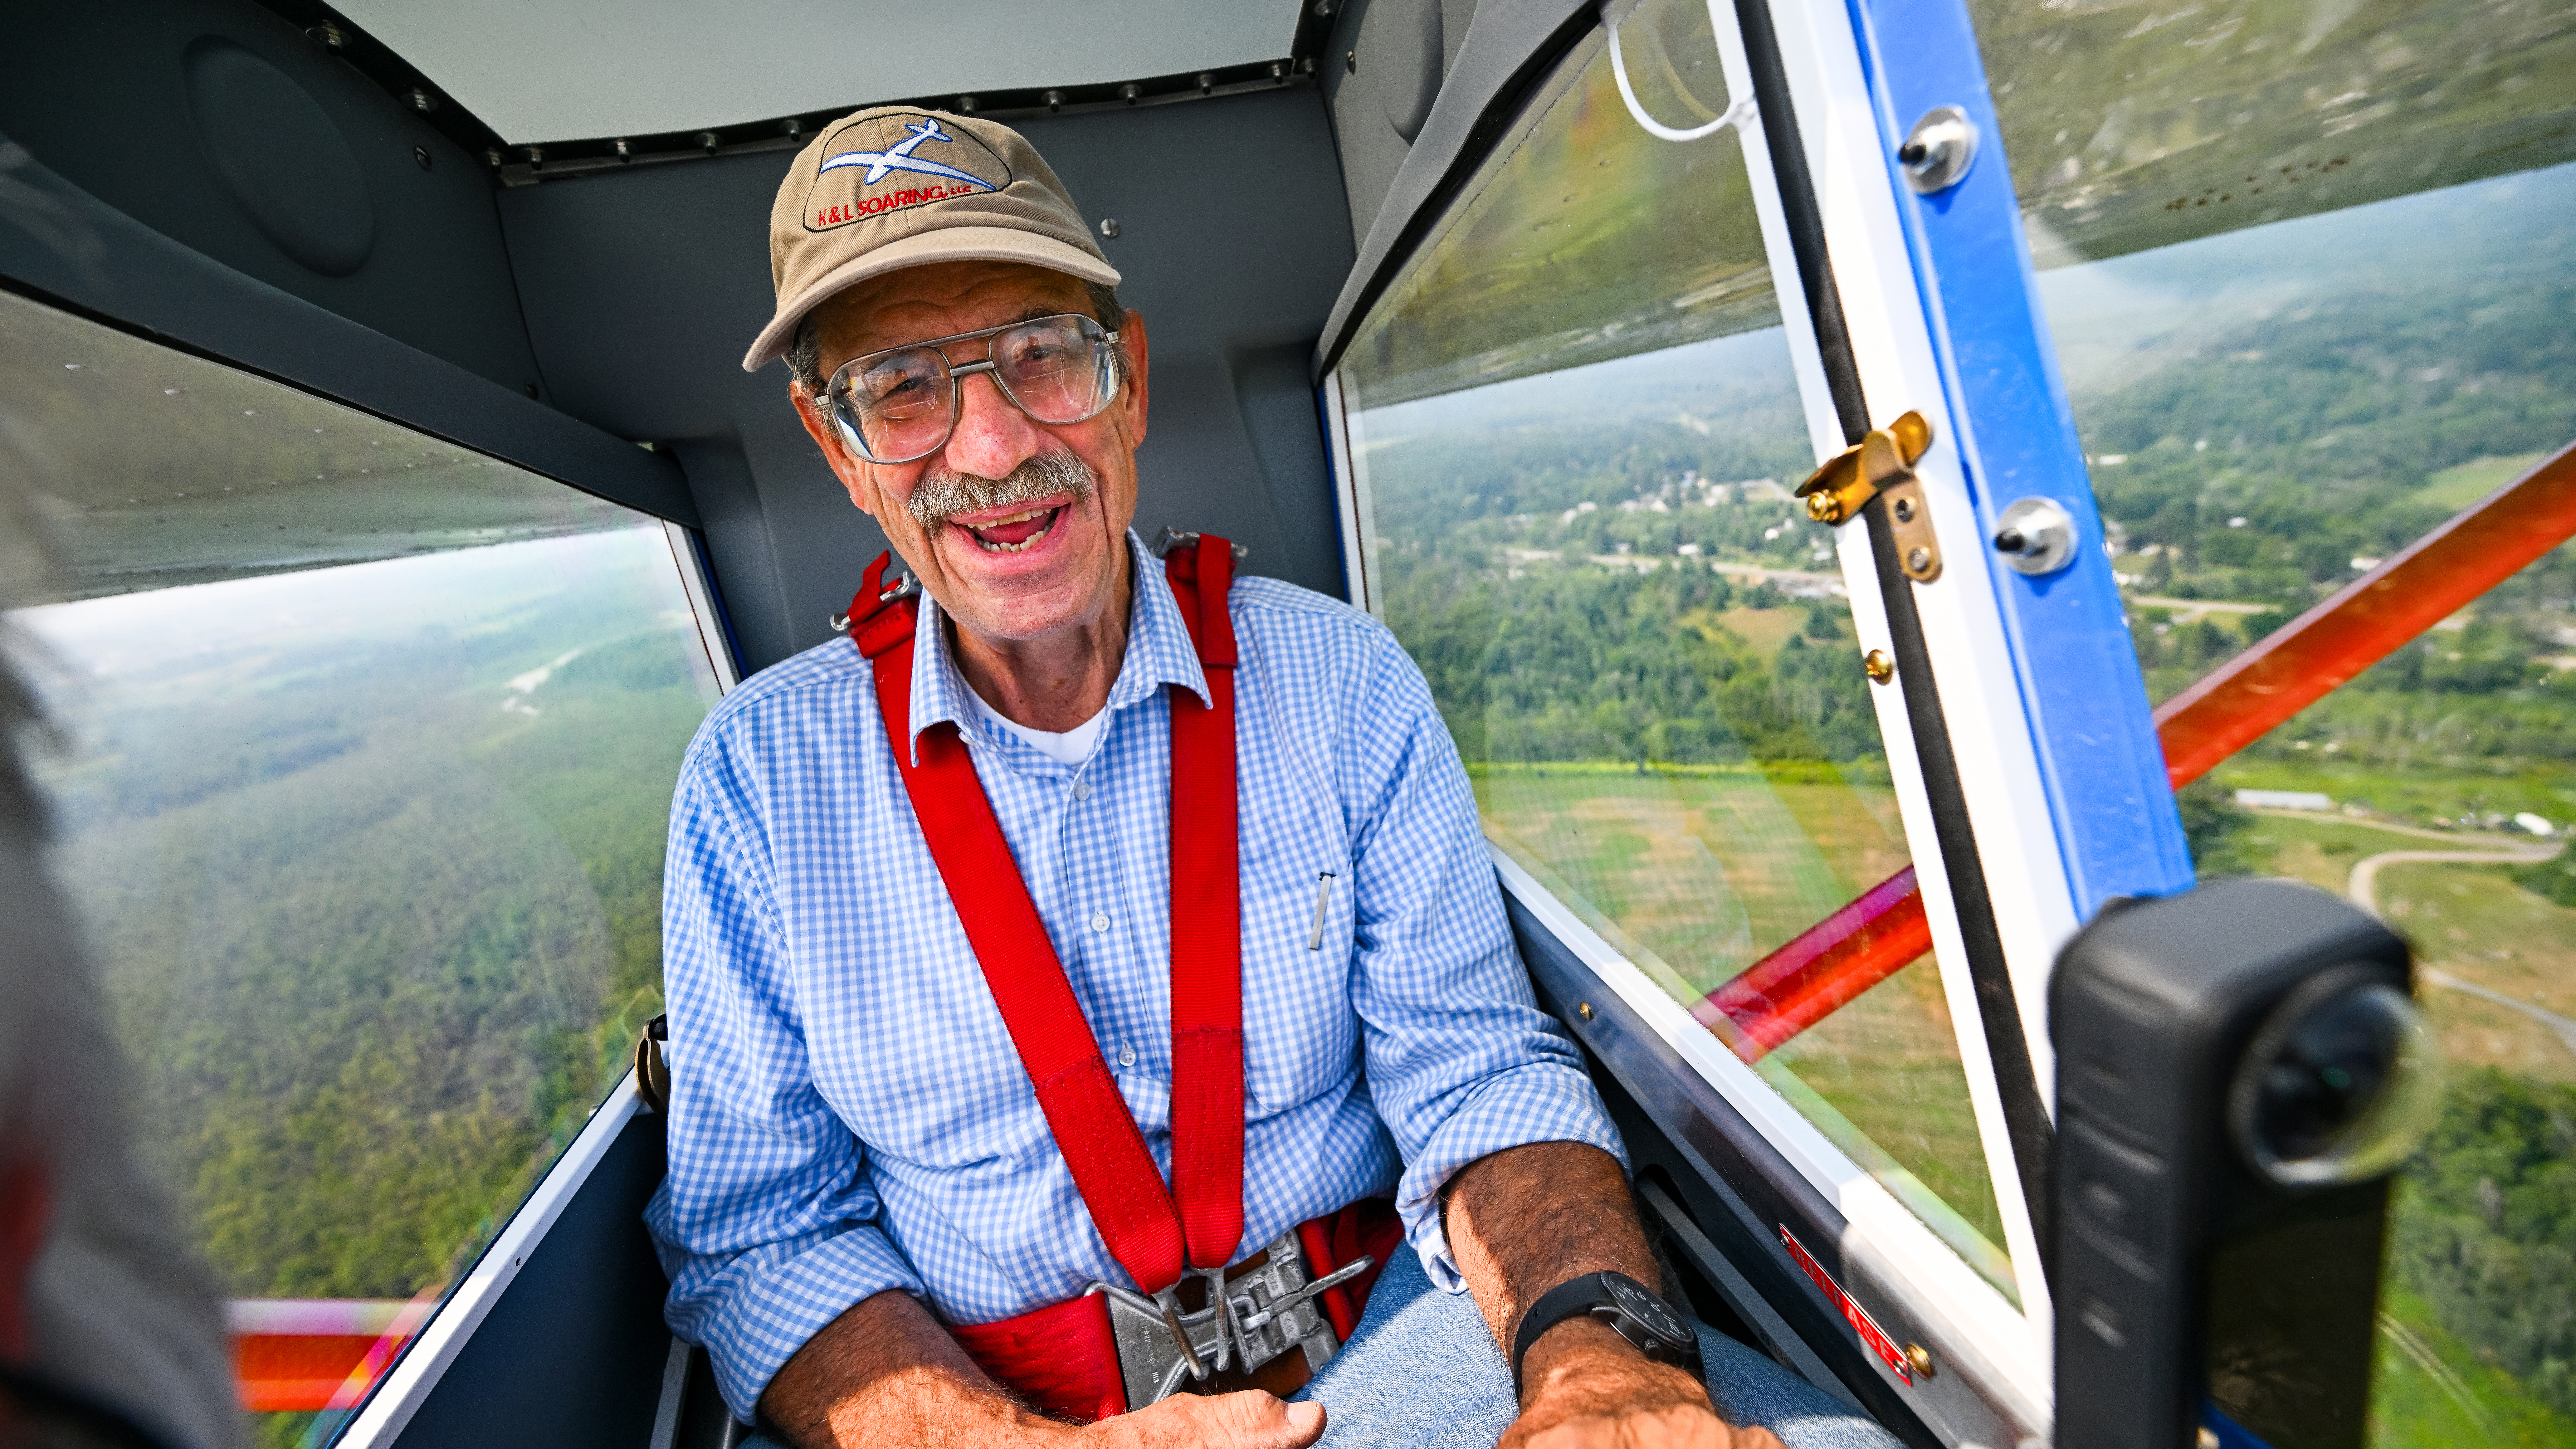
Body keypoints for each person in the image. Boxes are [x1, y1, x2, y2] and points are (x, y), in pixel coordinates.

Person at [646, 106, 1895, 1449]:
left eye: (1039, 359)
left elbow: (1477, 1079)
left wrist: (1596, 1364)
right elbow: (764, 1238)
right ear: (837, 449)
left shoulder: (1340, 683)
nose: (996, 448)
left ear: (1125, 376)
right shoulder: (759, 783)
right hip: (998, 1418)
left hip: (1394, 1357)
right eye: (903, 389)